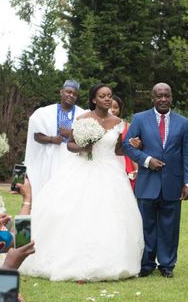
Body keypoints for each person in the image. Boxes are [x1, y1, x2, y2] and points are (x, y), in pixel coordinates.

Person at [21, 84, 144, 281]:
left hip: (110, 171)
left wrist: (134, 145)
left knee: (109, 216)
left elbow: (119, 150)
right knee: (75, 211)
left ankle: (111, 260)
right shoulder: (83, 119)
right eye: (102, 96)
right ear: (94, 99)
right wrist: (83, 147)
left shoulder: (119, 122)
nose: (107, 99)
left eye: (109, 96)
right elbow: (70, 145)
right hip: (82, 168)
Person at [123, 82, 188, 278]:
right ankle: (146, 263)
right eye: (159, 96)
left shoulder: (183, 122)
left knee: (169, 226)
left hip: (173, 183)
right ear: (152, 98)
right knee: (146, 225)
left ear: (171, 97)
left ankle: (167, 264)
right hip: (147, 182)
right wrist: (146, 160)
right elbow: (127, 146)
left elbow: (187, 154)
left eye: (166, 95)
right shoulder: (139, 119)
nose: (163, 99)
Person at [23, 79, 85, 197]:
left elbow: (86, 140)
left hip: (73, 159)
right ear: (61, 92)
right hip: (50, 158)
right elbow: (36, 136)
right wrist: (52, 139)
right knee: (48, 190)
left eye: (75, 94)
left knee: (69, 192)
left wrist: (71, 134)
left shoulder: (82, 115)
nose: (71, 95)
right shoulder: (45, 112)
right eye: (68, 92)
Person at [111, 94, 139, 190]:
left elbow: (132, 149)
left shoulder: (127, 126)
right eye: (110, 107)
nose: (113, 110)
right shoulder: (98, 125)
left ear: (120, 110)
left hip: (124, 163)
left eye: (116, 107)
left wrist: (137, 169)